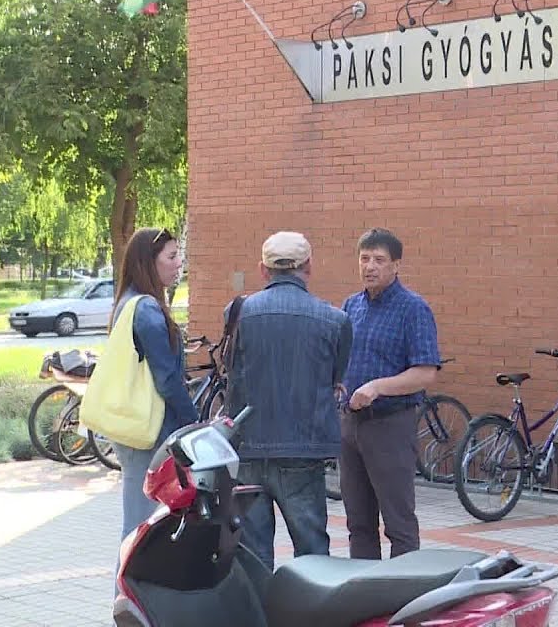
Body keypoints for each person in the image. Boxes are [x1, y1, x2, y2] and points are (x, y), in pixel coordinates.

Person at [225, 231, 352, 571]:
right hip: (303, 448)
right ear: (309, 266)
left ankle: (259, 605)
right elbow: (334, 378)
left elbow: (233, 370)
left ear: (263, 269)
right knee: (312, 553)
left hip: (248, 446)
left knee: (253, 556)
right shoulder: (336, 321)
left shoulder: (237, 313)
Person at [340, 228, 441, 560]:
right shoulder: (351, 306)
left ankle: (403, 588)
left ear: (396, 265)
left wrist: (377, 387)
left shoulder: (413, 309)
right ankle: (364, 588)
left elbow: (425, 372)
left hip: (390, 426)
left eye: (379, 260)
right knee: (358, 523)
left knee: (399, 524)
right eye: (364, 259)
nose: (370, 266)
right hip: (350, 426)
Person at [110, 227, 201, 542]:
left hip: (135, 426)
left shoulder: (128, 302)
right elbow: (166, 377)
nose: (179, 263)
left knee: (143, 521)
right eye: (172, 256)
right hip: (147, 430)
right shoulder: (146, 308)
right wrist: (193, 421)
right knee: (140, 526)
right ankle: (127, 578)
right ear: (149, 262)